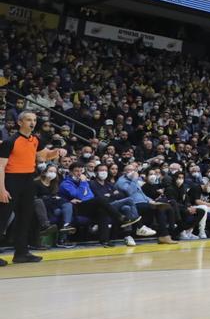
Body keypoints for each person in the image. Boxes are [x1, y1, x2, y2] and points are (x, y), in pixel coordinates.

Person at [0, 111, 65, 264]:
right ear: (20, 122)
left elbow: (44, 156)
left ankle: (21, 253)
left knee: (25, 217)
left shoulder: (35, 139)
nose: (32, 122)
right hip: (11, 180)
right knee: (2, 217)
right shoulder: (11, 141)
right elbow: (1, 166)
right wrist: (1, 189)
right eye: (29, 120)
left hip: (28, 179)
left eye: (34, 120)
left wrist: (57, 151)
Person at [59, 161, 128, 247]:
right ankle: (119, 216)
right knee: (99, 199)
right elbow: (78, 195)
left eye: (81, 171)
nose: (79, 173)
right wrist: (83, 183)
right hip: (75, 207)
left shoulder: (83, 182)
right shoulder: (66, 183)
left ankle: (105, 241)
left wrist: (86, 197)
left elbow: (89, 195)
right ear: (70, 172)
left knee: (102, 211)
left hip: (86, 205)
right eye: (77, 171)